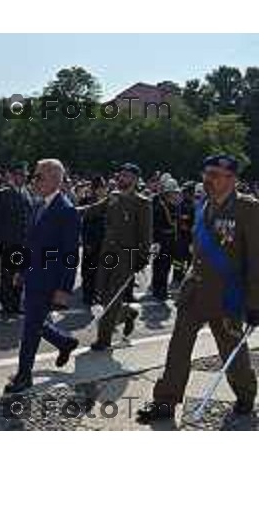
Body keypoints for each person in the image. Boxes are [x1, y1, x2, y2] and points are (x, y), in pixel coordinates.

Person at [137, 155, 259, 423]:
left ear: (232, 179)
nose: (208, 179)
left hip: (227, 295)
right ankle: (165, 401)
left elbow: (256, 260)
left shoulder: (248, 209)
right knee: (178, 346)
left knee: (232, 350)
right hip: (194, 291)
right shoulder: (203, 204)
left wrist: (254, 302)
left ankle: (246, 394)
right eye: (207, 173)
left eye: (215, 174)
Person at [4, 159, 80, 394]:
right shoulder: (39, 204)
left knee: (30, 328)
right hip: (33, 275)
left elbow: (70, 254)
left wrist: (64, 289)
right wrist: (20, 270)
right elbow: (30, 243)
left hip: (49, 280)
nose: (34, 181)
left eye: (39, 177)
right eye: (34, 176)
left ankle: (24, 376)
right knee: (35, 322)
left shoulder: (66, 210)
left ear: (55, 180)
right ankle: (64, 341)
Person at [80, 163, 152, 349]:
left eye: (127, 176)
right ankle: (127, 313)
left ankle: (104, 340)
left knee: (112, 296)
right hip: (107, 253)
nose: (122, 178)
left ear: (135, 180)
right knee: (102, 294)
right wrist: (68, 212)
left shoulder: (142, 203)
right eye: (121, 175)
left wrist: (142, 258)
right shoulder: (113, 197)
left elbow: (145, 234)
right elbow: (93, 210)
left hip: (126, 255)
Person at [0, 161, 35, 319]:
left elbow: (29, 217)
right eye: (20, 175)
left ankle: (16, 304)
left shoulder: (26, 192)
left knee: (20, 275)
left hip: (23, 242)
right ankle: (6, 304)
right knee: (8, 275)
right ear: (13, 176)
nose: (22, 178)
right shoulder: (4, 193)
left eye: (24, 175)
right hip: (9, 242)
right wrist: (1, 242)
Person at [151, 177, 180, 301]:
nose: (176, 195)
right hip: (162, 239)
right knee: (161, 266)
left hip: (169, 239)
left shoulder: (172, 205)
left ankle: (160, 289)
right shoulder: (160, 205)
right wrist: (155, 241)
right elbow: (156, 225)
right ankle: (159, 291)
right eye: (174, 192)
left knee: (165, 266)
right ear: (167, 193)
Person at [80, 175, 107, 305]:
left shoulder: (106, 202)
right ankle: (87, 296)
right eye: (101, 187)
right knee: (89, 270)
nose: (103, 190)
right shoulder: (87, 201)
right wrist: (87, 242)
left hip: (103, 240)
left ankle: (95, 293)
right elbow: (85, 224)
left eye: (104, 187)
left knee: (98, 270)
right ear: (95, 188)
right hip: (91, 240)